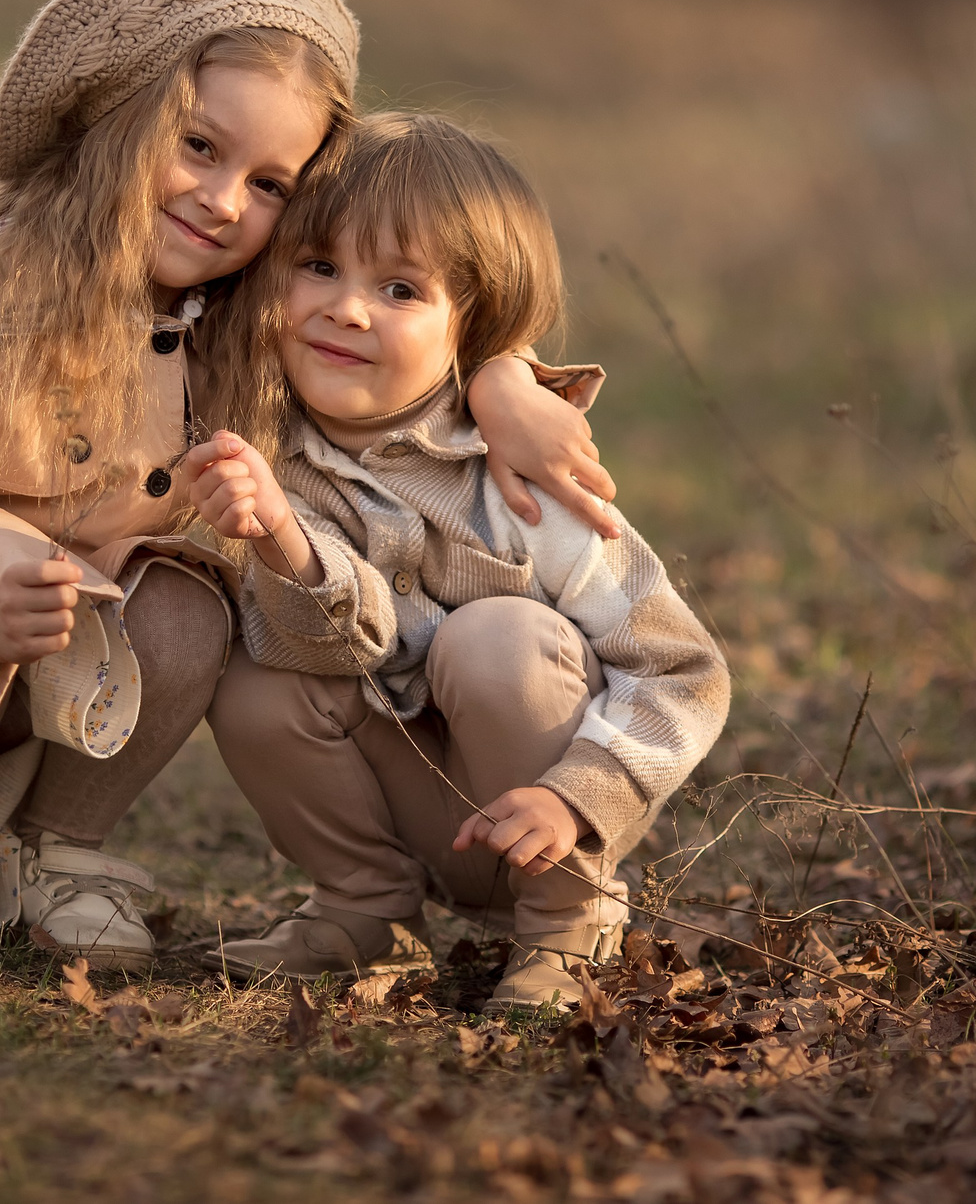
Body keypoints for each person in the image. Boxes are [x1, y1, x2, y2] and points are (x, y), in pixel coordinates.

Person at [0, 0, 616, 972]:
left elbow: (404, 296)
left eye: (270, 184)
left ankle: (59, 848)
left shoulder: (232, 296)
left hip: (67, 670)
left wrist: (503, 376)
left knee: (186, 607)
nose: (224, 202)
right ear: (118, 117)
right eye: (200, 148)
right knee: (0, 552)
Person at [179, 111, 729, 1012]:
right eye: (318, 266)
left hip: (543, 813)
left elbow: (684, 670)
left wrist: (577, 798)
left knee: (497, 638)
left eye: (401, 289)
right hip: (402, 806)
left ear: (472, 325)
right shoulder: (265, 449)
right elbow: (325, 648)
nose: (346, 308)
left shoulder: (524, 481)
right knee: (252, 674)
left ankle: (567, 925)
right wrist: (279, 536)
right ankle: (363, 911)